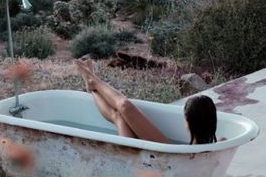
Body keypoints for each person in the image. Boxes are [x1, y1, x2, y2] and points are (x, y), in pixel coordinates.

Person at [76, 57, 217, 145]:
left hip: (162, 156)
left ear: (189, 123)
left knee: (124, 107)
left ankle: (92, 81)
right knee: (119, 115)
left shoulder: (195, 152)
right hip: (161, 155)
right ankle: (91, 83)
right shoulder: (218, 145)